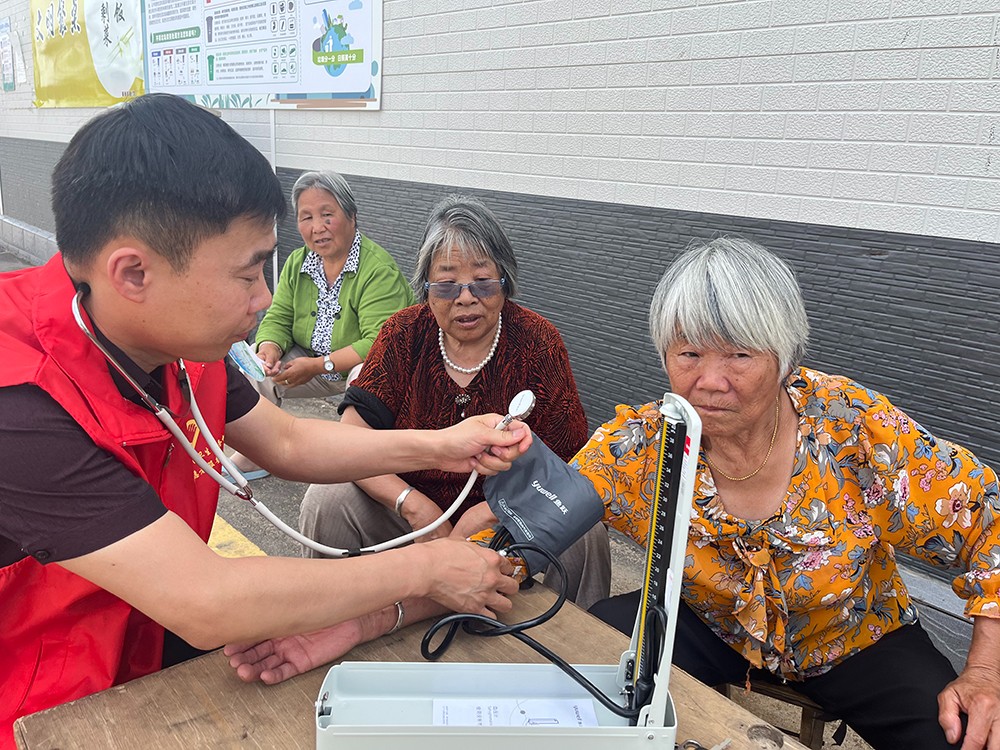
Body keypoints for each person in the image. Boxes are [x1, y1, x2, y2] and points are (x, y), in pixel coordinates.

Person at [0, 94, 530, 749]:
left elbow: (286, 439)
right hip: (43, 705)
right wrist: (429, 569)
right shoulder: (20, 404)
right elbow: (204, 599)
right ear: (133, 272)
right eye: (248, 272)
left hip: (145, 649)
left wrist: (444, 444)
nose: (264, 299)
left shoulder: (171, 340)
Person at [574, 238, 1000, 750]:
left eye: (739, 354)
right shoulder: (645, 444)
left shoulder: (852, 428)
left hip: (851, 634)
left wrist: (986, 671)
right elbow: (543, 507)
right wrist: (492, 539)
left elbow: (990, 522)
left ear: (783, 355)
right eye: (689, 353)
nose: (710, 382)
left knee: (963, 736)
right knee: (595, 661)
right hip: (714, 624)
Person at [298, 195, 611, 609]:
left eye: (482, 281)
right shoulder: (403, 334)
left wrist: (483, 516)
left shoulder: (538, 342)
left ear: (504, 281)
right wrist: (415, 507)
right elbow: (352, 438)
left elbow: (571, 467)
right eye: (446, 284)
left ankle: (574, 640)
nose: (465, 297)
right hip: (408, 519)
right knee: (329, 497)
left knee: (586, 531)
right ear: (426, 287)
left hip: (508, 522)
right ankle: (328, 615)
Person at [227, 170, 414, 479]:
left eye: (327, 215)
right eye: (306, 217)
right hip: (311, 360)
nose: (317, 228)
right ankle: (257, 453)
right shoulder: (298, 262)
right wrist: (269, 349)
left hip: (362, 366)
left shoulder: (378, 270)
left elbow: (379, 343)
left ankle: (359, 463)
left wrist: (317, 366)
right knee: (256, 369)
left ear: (352, 216)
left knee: (364, 375)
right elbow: (279, 317)